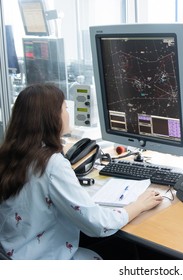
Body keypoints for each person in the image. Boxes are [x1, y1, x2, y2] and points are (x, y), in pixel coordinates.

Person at [0, 83, 163, 259]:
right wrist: (139, 205)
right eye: (65, 108)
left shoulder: (8, 154)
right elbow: (98, 224)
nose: (68, 114)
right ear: (52, 117)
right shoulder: (52, 165)